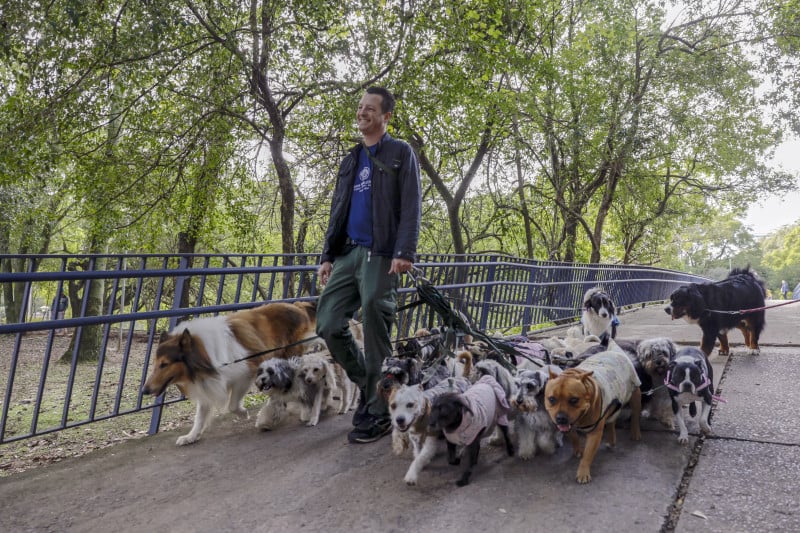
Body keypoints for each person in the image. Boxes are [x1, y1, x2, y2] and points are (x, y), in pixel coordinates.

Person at [316, 86, 421, 444]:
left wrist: (404, 251)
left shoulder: (399, 153)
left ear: (386, 116)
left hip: (381, 253)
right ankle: (374, 385)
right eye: (360, 107)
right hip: (348, 253)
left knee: (376, 316)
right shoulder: (351, 159)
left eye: (370, 109)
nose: (362, 113)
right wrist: (327, 255)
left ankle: (377, 412)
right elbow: (337, 209)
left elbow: (411, 205)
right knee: (328, 322)